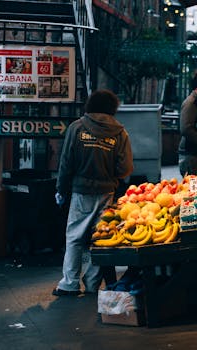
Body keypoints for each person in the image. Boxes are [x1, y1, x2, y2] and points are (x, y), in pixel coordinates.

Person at [53, 89, 133, 296]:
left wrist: (61, 189)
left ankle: (69, 283)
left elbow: (66, 163)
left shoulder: (77, 128)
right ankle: (91, 284)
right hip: (107, 192)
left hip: (81, 191)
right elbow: (125, 169)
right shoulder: (120, 133)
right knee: (100, 238)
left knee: (74, 238)